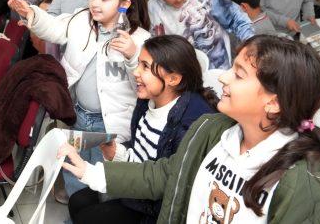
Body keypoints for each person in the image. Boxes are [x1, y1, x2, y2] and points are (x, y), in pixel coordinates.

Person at [60, 35, 320, 223]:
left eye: (238, 74)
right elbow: (167, 173)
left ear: (273, 102)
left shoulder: (308, 185)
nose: (223, 77)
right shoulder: (212, 130)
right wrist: (91, 172)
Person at [9, 0, 151, 198]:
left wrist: (133, 56)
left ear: (124, 4)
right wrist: (32, 13)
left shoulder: (139, 39)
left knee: (106, 179)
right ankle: (77, 212)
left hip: (112, 124)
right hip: (79, 115)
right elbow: (54, 28)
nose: (94, 4)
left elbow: (146, 87)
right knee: (76, 173)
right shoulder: (80, 20)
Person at [68, 35, 218, 224]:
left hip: (156, 205)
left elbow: (166, 183)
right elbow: (141, 152)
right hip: (140, 184)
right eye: (138, 64)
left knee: (87, 217)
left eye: (145, 67)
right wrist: (118, 153)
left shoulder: (190, 124)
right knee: (77, 202)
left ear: (173, 79)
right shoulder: (148, 99)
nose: (135, 72)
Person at [148, 0, 254, 69]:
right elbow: (154, 43)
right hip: (180, 72)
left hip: (217, 70)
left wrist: (250, 42)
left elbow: (238, 18)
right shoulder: (153, 6)